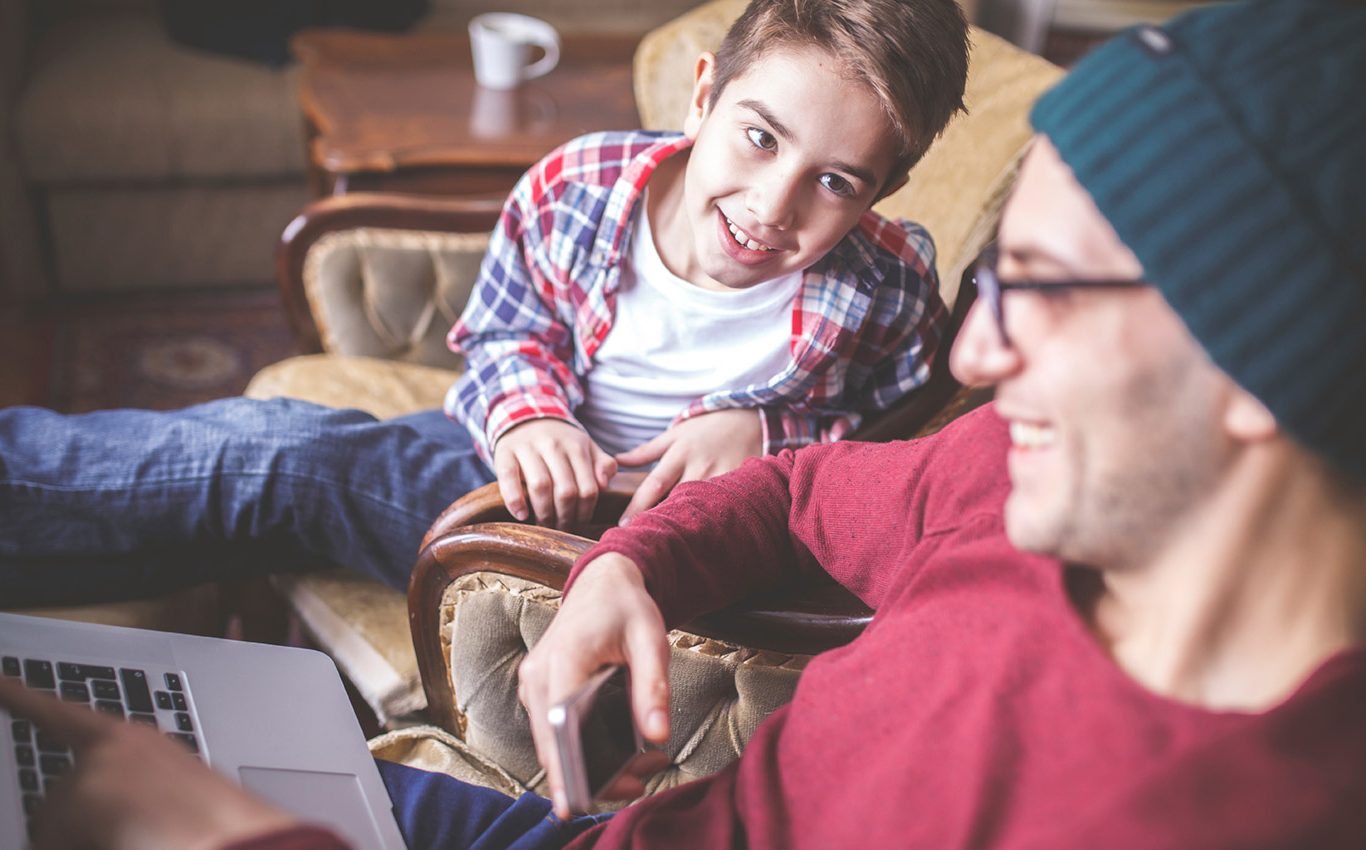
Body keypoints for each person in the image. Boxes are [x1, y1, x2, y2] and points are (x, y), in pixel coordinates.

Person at [5, 0, 1365, 848]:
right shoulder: (1006, 468)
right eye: (996, 276)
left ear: (1252, 353)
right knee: (270, 472)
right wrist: (628, 550)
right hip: (546, 488)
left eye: (1046, 288)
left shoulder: (1185, 799)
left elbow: (871, 412)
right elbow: (834, 467)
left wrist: (752, 433)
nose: (977, 346)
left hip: (618, 549)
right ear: (704, 94)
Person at [0, 0, 968, 604]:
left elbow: (902, 448)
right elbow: (508, 330)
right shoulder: (576, 185)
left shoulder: (887, 287)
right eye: (759, 138)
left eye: (835, 181)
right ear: (704, 94)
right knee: (275, 458)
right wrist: (530, 415)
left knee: (291, 467)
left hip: (675, 551)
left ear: (878, 192)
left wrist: (771, 439)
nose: (773, 206)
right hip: (522, 481)